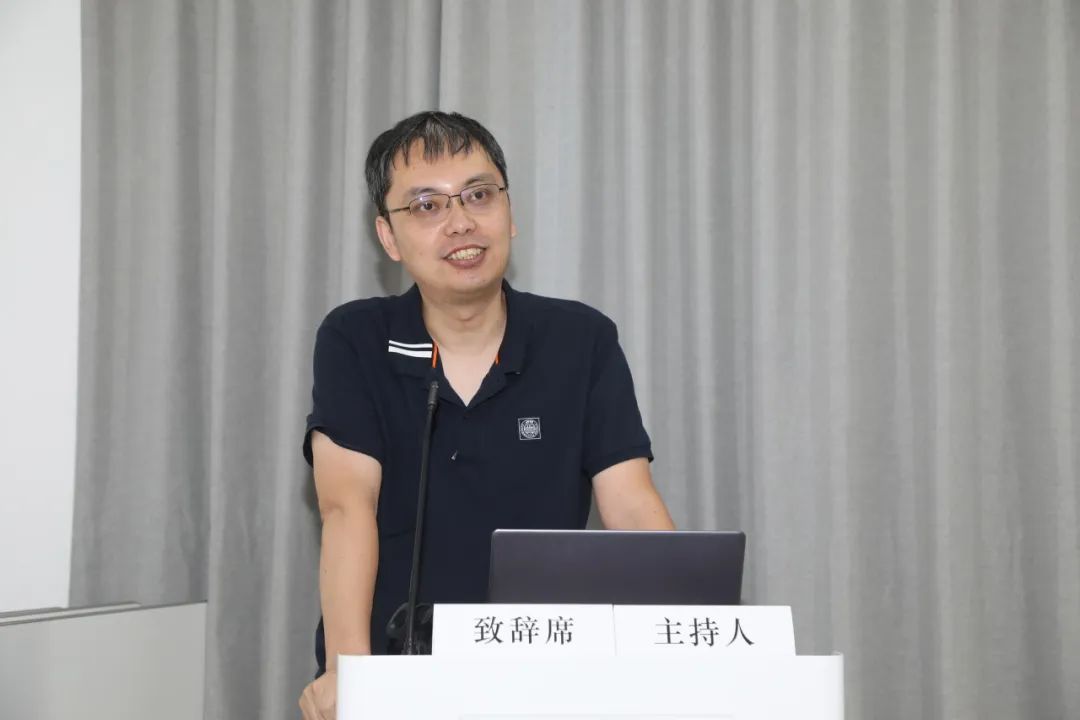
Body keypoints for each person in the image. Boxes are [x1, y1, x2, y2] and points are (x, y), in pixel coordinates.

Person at [298, 111, 674, 719]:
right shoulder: (356, 339)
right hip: (398, 678)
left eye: (478, 195)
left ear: (509, 212)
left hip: (548, 678)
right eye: (427, 205)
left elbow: (630, 503)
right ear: (388, 238)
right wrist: (349, 671)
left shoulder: (579, 339)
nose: (460, 222)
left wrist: (689, 641)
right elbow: (346, 507)